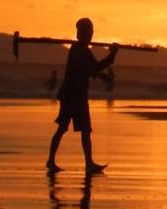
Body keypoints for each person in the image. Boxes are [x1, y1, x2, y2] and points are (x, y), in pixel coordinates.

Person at [46, 18, 118, 175]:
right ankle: (52, 160)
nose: (91, 35)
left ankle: (88, 163)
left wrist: (108, 64)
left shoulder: (84, 50)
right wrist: (109, 59)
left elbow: (94, 68)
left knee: (84, 130)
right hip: (72, 96)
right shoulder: (77, 50)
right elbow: (90, 68)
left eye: (91, 32)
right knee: (64, 128)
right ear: (82, 33)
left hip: (77, 95)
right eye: (89, 32)